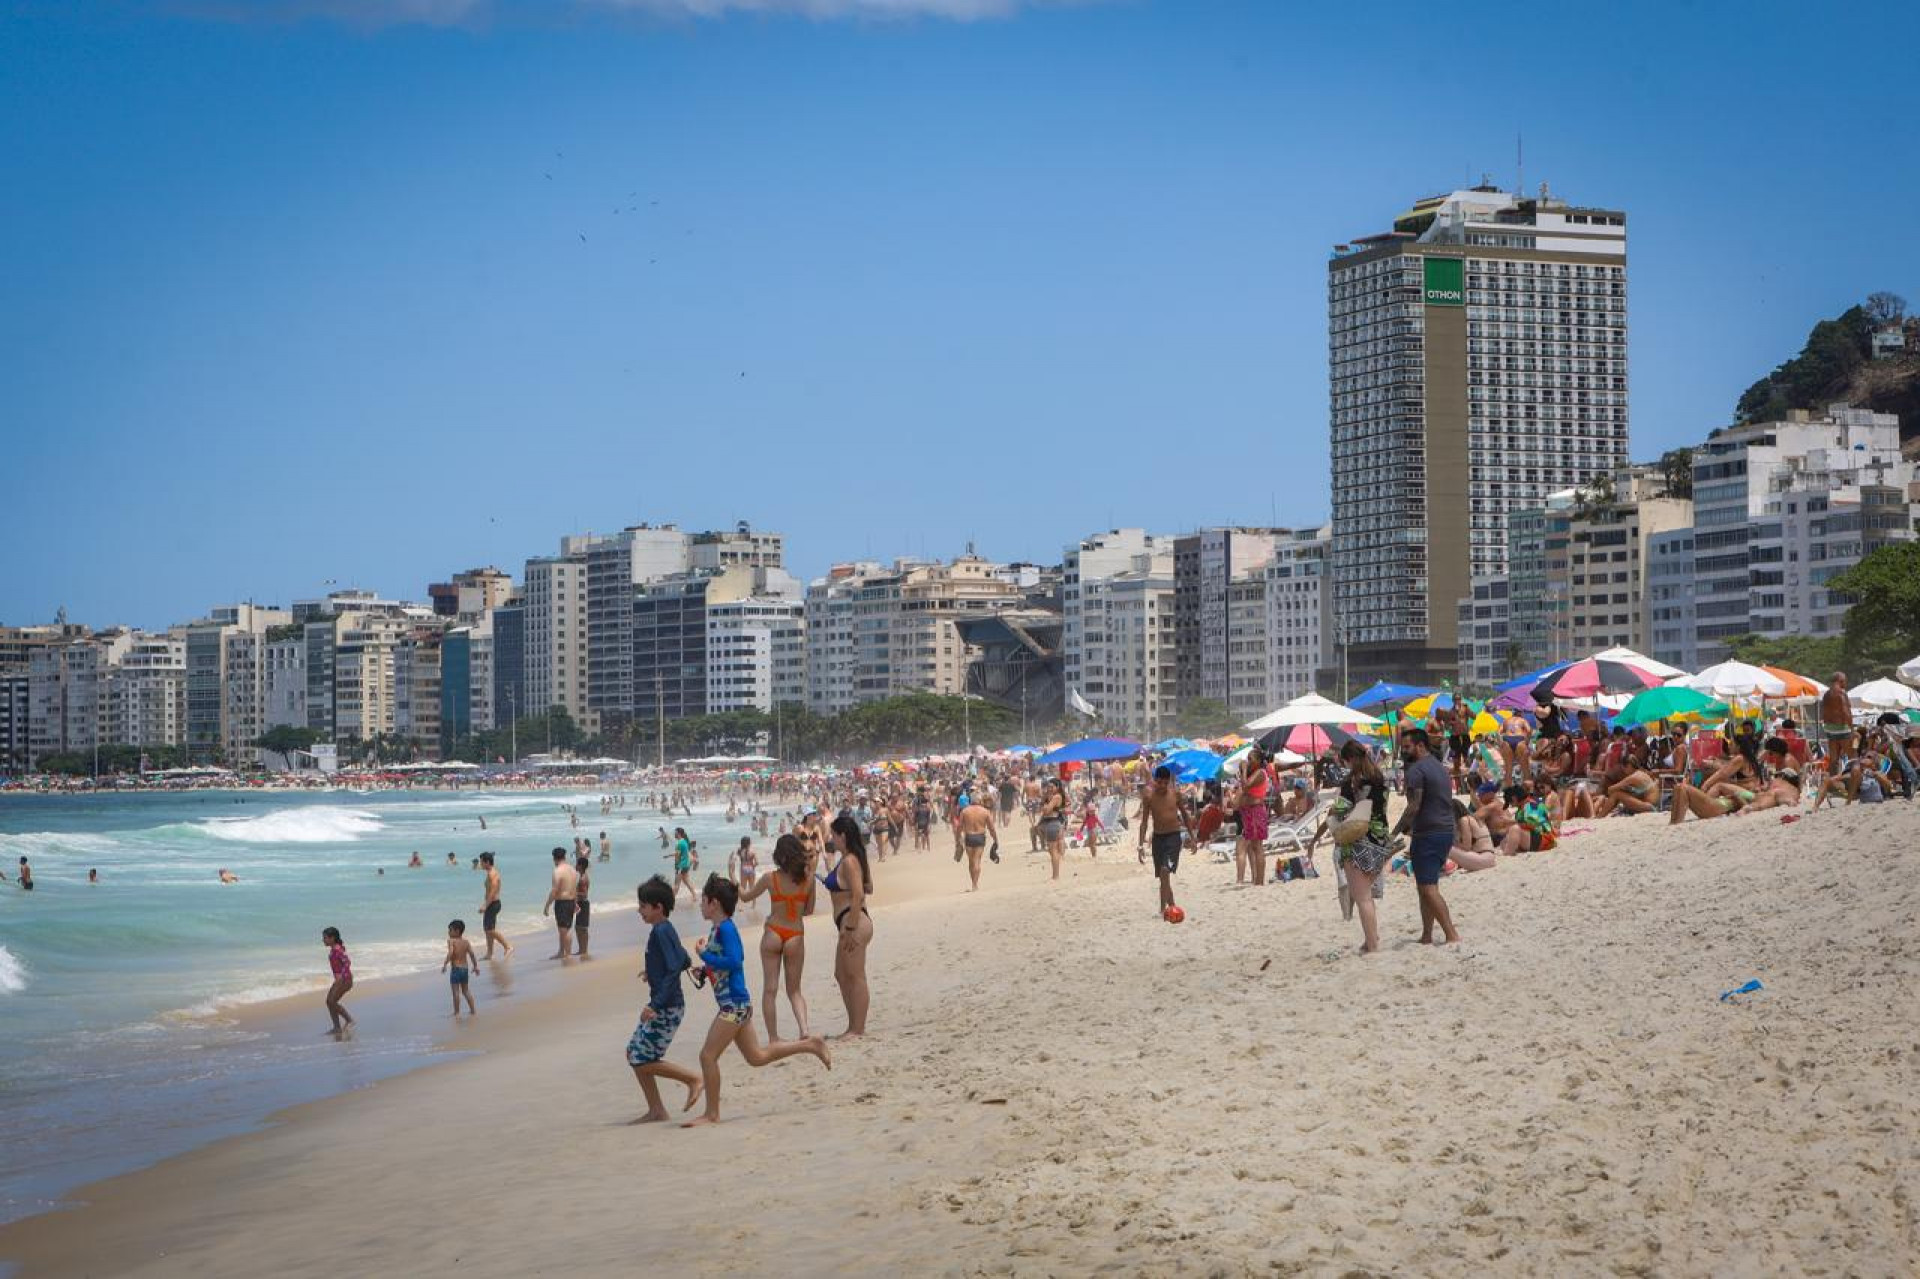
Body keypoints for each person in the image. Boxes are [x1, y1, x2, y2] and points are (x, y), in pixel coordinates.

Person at [683, 876, 830, 1128]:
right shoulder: (717, 929)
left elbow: (735, 961)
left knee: (707, 1056)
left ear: (714, 903)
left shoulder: (726, 929)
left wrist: (704, 954)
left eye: (703, 901)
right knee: (757, 1057)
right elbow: (723, 964)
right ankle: (811, 1045)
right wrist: (705, 970)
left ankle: (712, 1114)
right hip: (736, 1004)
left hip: (734, 1006)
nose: (699, 905)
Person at [628, 876, 702, 1123]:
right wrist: (652, 971)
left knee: (641, 1059)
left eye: (643, 906)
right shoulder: (664, 929)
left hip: (667, 1007)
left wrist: (654, 1005)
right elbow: (682, 959)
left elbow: (674, 969)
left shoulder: (661, 932)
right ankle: (656, 1109)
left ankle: (692, 1079)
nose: (640, 911)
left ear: (658, 907)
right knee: (633, 1053)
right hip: (667, 1003)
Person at [737, 834, 813, 1042]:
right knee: (795, 990)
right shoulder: (808, 878)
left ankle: (773, 1037)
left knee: (770, 990)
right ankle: (804, 1030)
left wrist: (735, 880)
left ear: (779, 856)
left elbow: (745, 896)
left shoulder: (770, 878)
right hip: (795, 934)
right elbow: (809, 910)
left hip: (773, 932)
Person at [1393, 729, 1460, 945]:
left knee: (1428, 889)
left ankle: (1451, 934)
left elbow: (1414, 805)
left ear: (1420, 746)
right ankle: (1427, 935)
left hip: (1428, 833)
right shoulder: (1439, 767)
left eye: (1407, 747)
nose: (1403, 751)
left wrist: (1396, 831)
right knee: (1426, 885)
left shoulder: (1416, 770)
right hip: (1445, 830)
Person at [1332, 742, 1391, 953]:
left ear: (1350, 759)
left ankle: (1373, 945)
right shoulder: (1379, 778)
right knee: (1366, 893)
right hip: (1381, 840)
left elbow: (1339, 811)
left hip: (1359, 841)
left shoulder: (1352, 783)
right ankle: (1370, 938)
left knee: (1362, 897)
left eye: (1345, 761)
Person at [825, 813, 874, 1038]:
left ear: (842, 836)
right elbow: (869, 886)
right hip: (848, 921)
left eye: (833, 834)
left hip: (854, 922)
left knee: (855, 975)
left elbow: (859, 894)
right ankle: (853, 1025)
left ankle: (857, 1029)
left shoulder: (850, 861)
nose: (831, 838)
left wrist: (851, 928)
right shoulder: (853, 858)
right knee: (841, 974)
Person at [1136, 764, 1191, 917]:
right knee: (1162, 876)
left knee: (1165, 871)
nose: (1162, 786)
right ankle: (1168, 907)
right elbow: (1144, 822)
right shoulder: (1149, 797)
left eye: (1165, 783)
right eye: (1159, 783)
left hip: (1173, 837)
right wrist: (1140, 846)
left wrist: (1193, 838)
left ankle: (1166, 908)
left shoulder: (1175, 795)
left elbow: (1185, 816)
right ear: (1154, 781)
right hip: (1158, 839)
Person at [1235, 746, 1273, 886]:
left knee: (1257, 846)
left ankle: (1259, 881)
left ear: (1258, 761)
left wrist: (1244, 770)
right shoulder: (1254, 773)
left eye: (1250, 759)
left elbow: (1245, 787)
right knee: (1254, 846)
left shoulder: (1260, 773)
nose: (1248, 761)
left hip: (1255, 811)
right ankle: (1257, 880)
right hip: (1249, 812)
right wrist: (1243, 769)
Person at [954, 794, 998, 891]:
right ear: (980, 801)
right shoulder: (985, 811)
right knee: (977, 860)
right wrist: (995, 839)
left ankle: (973, 883)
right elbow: (991, 828)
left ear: (971, 801)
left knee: (971, 861)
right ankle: (975, 884)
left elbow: (959, 826)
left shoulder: (965, 811)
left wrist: (957, 839)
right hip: (980, 837)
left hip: (969, 837)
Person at [543, 847, 579, 959]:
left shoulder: (557, 871)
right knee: (563, 929)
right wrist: (575, 902)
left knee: (565, 930)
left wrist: (547, 905)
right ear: (564, 856)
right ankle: (561, 952)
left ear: (554, 858)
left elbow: (554, 890)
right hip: (571, 900)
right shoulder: (572, 869)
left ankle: (567, 954)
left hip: (563, 903)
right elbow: (574, 887)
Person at [478, 851, 512, 959]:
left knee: (489, 930)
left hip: (493, 904)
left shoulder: (492, 873)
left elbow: (492, 891)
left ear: (487, 862)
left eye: (482, 862)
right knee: (488, 929)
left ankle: (507, 946)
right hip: (492, 904)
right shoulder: (490, 872)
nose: (480, 864)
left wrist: (485, 905)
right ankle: (489, 953)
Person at [1448, 798, 1498, 872]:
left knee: (1447, 848)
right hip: (1489, 858)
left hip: (1482, 858)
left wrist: (1454, 844)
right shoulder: (1474, 818)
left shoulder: (1464, 820)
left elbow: (1466, 847)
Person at [442, 919, 478, 1016]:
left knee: (456, 992)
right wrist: (475, 966)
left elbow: (451, 952)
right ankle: (473, 1010)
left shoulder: (451, 941)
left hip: (456, 969)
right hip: (465, 969)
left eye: (450, 930)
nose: (448, 932)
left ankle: (457, 1012)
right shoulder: (466, 942)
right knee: (466, 991)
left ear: (457, 931)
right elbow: (472, 954)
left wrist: (445, 963)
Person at [322, 926, 354, 1033]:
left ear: (333, 938)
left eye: (325, 938)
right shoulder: (334, 948)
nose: (323, 940)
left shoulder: (337, 949)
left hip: (345, 980)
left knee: (331, 1001)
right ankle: (337, 1027)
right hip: (340, 981)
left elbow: (347, 962)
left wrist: (341, 976)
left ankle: (349, 1020)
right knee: (329, 1002)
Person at [1819, 673, 1853, 773]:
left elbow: (1824, 713)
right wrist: (1852, 729)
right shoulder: (1841, 693)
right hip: (1842, 728)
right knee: (1852, 755)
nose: (1846, 683)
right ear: (1840, 680)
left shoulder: (1826, 694)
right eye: (1845, 680)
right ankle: (1853, 780)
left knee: (1833, 759)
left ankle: (1832, 780)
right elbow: (1845, 712)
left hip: (1830, 728)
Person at [1036, 779, 1068, 877]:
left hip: (1052, 823)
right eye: (1048, 787)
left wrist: (1045, 806)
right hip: (1051, 823)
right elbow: (1040, 809)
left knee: (1053, 850)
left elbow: (1046, 811)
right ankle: (1056, 874)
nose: (1049, 789)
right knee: (1053, 850)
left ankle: (1055, 875)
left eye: (1051, 787)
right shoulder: (1050, 797)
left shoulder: (1056, 797)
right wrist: (1044, 802)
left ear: (1057, 787)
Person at [574, 853, 594, 959]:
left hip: (584, 903)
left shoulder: (583, 879)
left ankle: (584, 950)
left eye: (576, 864)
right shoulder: (582, 876)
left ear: (580, 866)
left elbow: (585, 894)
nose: (575, 866)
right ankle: (581, 949)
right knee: (579, 928)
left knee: (582, 928)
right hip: (582, 903)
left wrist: (573, 893)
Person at [668, 828, 696, 903]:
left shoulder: (679, 843)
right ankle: (694, 896)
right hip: (686, 865)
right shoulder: (684, 841)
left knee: (676, 884)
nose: (674, 834)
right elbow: (685, 853)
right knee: (686, 881)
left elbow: (677, 855)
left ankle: (670, 900)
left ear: (679, 834)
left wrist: (676, 865)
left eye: (675, 833)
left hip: (680, 866)